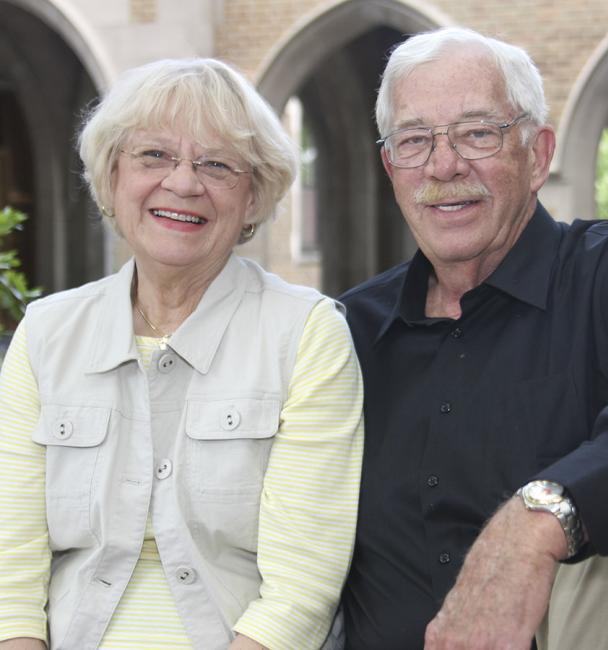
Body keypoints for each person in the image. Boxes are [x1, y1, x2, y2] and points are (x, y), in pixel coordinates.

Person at [0, 58, 363, 650]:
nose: (184, 183)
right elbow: (7, 571)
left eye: (217, 164)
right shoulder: (45, 335)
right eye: (154, 156)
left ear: (253, 198)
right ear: (112, 179)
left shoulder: (307, 334)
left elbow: (302, 587)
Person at [339, 26, 608, 650]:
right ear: (390, 165)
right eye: (415, 140)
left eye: (478, 133)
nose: (444, 164)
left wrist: (545, 516)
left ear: (537, 154)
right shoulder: (345, 333)